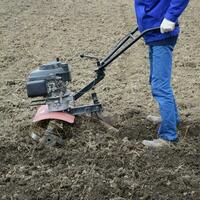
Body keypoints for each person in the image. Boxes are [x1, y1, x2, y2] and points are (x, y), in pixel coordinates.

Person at [134, 0, 189, 147]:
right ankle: (172, 118)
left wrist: (171, 17)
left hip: (162, 34)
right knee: (157, 81)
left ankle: (168, 136)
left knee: (160, 86)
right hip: (154, 31)